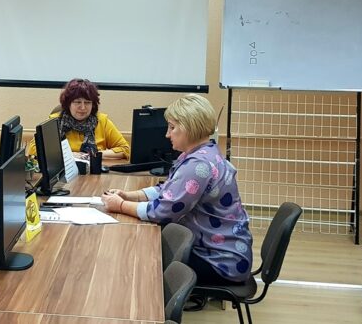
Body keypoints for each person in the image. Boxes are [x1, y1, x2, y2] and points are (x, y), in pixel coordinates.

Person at [101, 94, 253, 286]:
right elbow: (169, 189)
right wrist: (131, 195)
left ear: (189, 127)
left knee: (142, 259)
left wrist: (121, 205)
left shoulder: (198, 165)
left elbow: (162, 211)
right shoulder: (201, 153)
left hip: (220, 262)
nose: (167, 134)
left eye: (172, 127)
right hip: (224, 252)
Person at [27, 78, 129, 159]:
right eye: (77, 102)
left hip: (94, 172)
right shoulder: (54, 121)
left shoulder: (102, 121)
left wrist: (94, 154)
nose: (83, 107)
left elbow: (125, 149)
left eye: (87, 102)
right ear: (68, 104)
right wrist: (68, 155)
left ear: (93, 105)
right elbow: (33, 149)